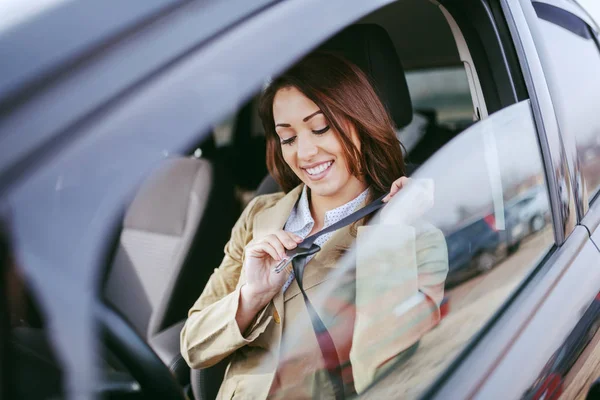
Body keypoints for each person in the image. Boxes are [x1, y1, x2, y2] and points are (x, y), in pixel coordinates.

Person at [180, 52, 448, 399]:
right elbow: (194, 346)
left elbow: (383, 377)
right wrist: (251, 297)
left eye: (320, 128)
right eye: (288, 138)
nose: (304, 153)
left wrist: (389, 235)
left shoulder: (412, 238)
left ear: (361, 122)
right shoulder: (259, 216)